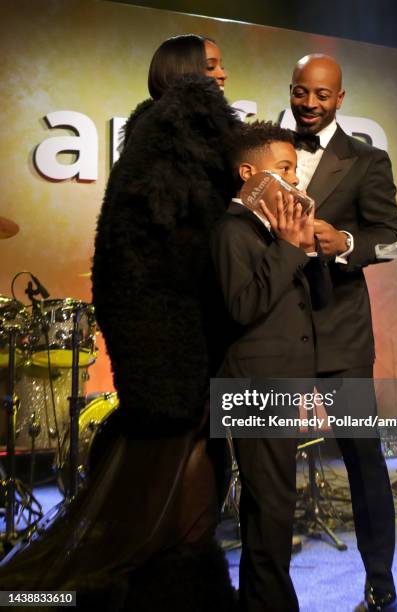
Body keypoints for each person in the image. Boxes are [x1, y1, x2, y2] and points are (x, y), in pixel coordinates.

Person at [0, 35, 239, 611]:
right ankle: (175, 586)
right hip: (178, 336)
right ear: (188, 76)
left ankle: (174, 580)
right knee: (187, 455)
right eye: (212, 66)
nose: (224, 75)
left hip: (162, 334)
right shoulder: (185, 132)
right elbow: (189, 245)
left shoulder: (154, 133)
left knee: (178, 456)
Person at [289, 53, 397, 612]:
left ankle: (379, 582)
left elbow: (389, 234)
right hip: (275, 331)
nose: (310, 104)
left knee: (362, 456)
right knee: (267, 456)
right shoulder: (267, 155)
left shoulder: (367, 160)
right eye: (301, 92)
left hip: (340, 332)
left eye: (321, 95)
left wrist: (347, 245)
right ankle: (265, 589)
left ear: (340, 98)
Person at [208, 121, 331, 612]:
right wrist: (286, 248)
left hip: (285, 382)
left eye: (295, 171)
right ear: (249, 174)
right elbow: (243, 307)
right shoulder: (231, 230)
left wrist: (308, 250)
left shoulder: (275, 235)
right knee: (270, 507)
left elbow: (316, 304)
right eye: (284, 169)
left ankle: (265, 600)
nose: (295, 180)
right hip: (253, 384)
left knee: (274, 505)